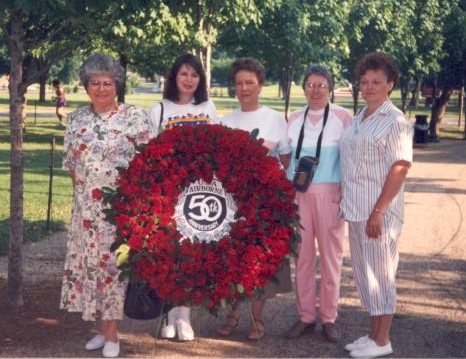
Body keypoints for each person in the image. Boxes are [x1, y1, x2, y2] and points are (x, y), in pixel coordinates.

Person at [60, 54, 154, 358]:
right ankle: (102, 329)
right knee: (92, 269)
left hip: (120, 209)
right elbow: (72, 164)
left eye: (107, 83)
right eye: (95, 83)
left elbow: (150, 162)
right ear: (86, 86)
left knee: (113, 268)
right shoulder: (75, 119)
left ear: (117, 85)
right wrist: (84, 198)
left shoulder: (134, 117)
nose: (101, 88)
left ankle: (113, 334)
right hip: (86, 211)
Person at [339, 52, 413, 358]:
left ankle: (383, 340)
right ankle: (372, 335)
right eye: (365, 81)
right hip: (356, 210)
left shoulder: (395, 121)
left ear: (390, 84)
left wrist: (378, 211)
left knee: (381, 276)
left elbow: (400, 166)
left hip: (378, 213)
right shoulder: (360, 117)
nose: (369, 87)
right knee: (365, 275)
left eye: (376, 82)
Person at [216, 57, 292, 341]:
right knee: (232, 260)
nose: (244, 88)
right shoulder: (225, 120)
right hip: (232, 202)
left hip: (264, 203)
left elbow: (285, 160)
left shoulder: (275, 119)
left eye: (249, 82)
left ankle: (257, 318)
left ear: (260, 85)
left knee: (259, 261)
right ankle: (232, 313)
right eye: (239, 83)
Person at [147, 53, 217, 341]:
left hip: (199, 191)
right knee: (167, 252)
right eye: (184, 74)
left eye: (195, 75)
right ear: (174, 77)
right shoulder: (159, 109)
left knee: (191, 252)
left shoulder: (207, 107)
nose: (189, 80)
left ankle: (184, 315)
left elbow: (216, 145)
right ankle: (168, 312)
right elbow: (148, 151)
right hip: (167, 191)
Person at [284, 65, 352, 343]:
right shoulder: (294, 119)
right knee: (302, 258)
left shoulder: (342, 118)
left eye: (321, 85)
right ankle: (305, 316)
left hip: (330, 195)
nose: (315, 90)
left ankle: (329, 317)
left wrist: (345, 195)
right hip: (299, 195)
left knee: (331, 258)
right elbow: (285, 159)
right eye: (310, 85)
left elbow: (350, 160)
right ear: (303, 88)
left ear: (330, 89)